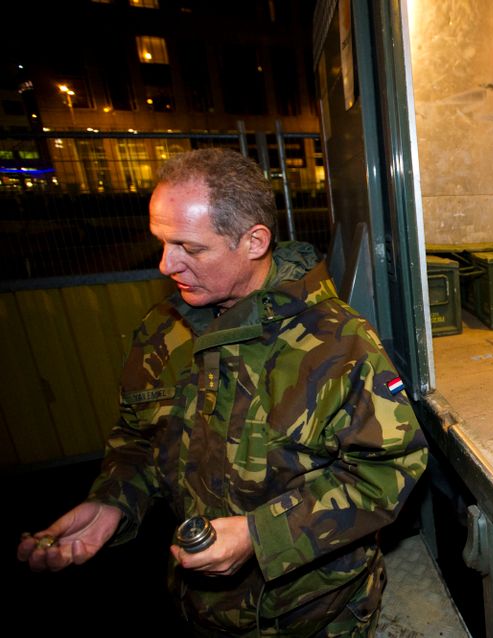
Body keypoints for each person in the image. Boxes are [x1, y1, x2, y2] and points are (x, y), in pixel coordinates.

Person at [17, 148, 429, 636]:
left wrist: (261, 535)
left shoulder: (338, 344)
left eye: (190, 248)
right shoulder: (163, 332)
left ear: (254, 242)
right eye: (162, 243)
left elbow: (389, 469)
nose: (167, 265)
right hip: (199, 607)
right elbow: (138, 440)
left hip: (313, 617)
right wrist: (113, 501)